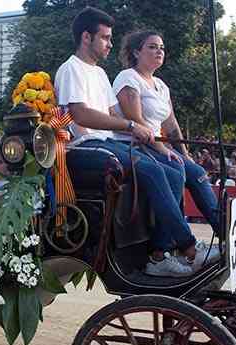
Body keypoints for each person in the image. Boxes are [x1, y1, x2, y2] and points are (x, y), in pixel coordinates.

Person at [54, 6, 217, 276]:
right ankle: (188, 247)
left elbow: (111, 113)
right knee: (152, 168)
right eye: (105, 38)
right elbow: (80, 114)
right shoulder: (71, 69)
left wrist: (140, 130)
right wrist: (131, 125)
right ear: (86, 37)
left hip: (107, 143)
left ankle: (160, 252)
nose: (110, 44)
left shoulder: (99, 73)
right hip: (82, 146)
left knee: (173, 169)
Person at [112, 30, 220, 235]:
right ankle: (167, 244)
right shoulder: (128, 78)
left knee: (197, 172)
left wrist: (186, 155)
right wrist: (163, 149)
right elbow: (136, 121)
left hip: (157, 145)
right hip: (135, 144)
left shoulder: (162, 86)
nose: (159, 51)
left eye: (161, 47)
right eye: (152, 47)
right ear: (136, 52)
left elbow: (171, 125)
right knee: (175, 170)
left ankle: (223, 229)